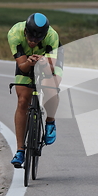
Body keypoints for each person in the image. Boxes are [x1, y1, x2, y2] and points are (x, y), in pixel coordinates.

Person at [7, 13, 63, 168]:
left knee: (50, 86)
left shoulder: (52, 36)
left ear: (44, 36)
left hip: (48, 62)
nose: (32, 42)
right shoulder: (14, 33)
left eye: (38, 40)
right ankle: (20, 150)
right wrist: (31, 63)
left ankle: (50, 122)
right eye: (30, 38)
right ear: (25, 31)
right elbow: (22, 66)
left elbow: (51, 69)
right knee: (23, 100)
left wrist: (44, 62)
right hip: (26, 61)